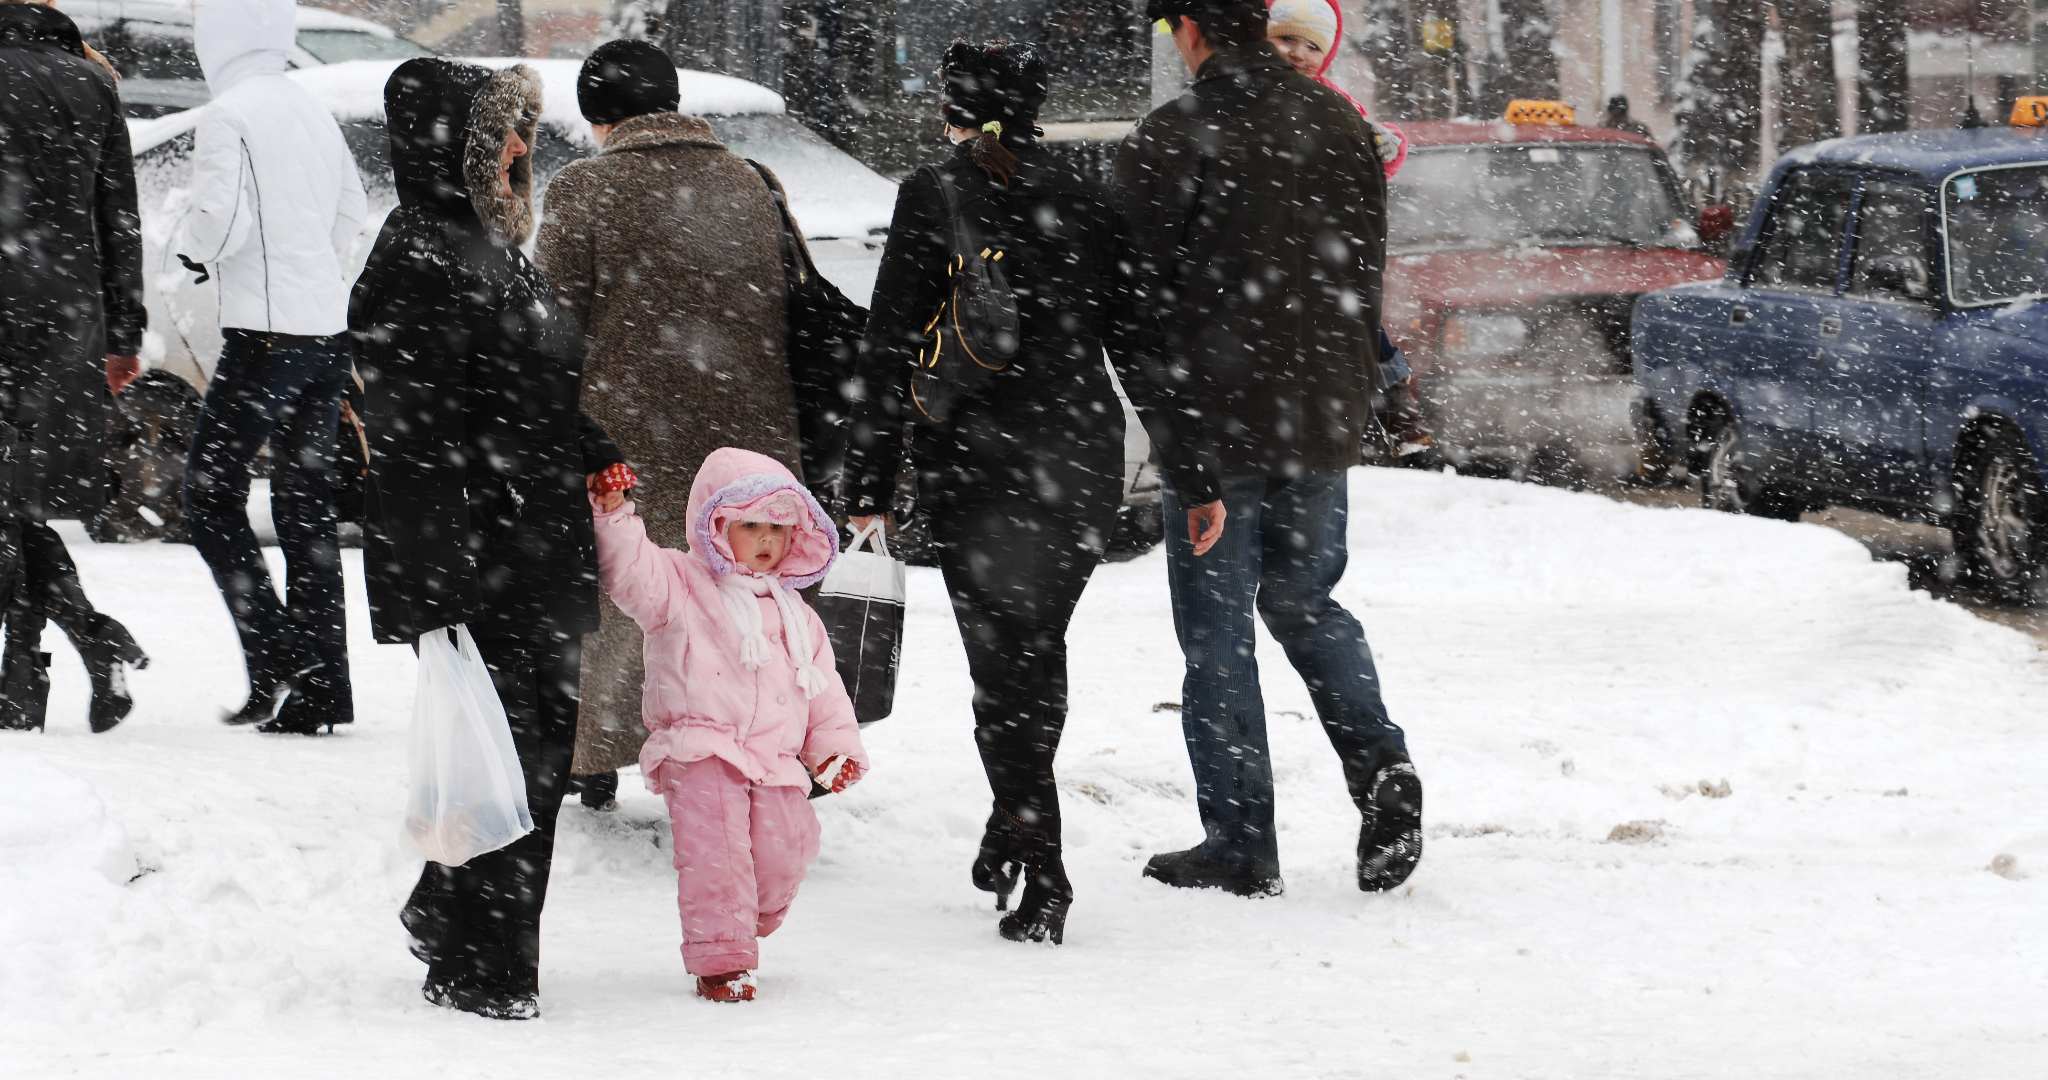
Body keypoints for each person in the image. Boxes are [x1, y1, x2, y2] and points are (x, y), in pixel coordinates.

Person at [843, 41, 1225, 945]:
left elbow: (888, 348)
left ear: (949, 107)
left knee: (1001, 671)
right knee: (1035, 654)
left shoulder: (932, 194)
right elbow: (1142, 346)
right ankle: (1010, 822)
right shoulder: (1089, 196)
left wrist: (867, 486)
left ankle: (1041, 861)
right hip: (1078, 463)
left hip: (976, 468)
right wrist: (1193, 473)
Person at [1115, 0, 1423, 898]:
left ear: (1189, 28)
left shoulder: (1174, 133)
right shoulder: (1338, 121)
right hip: (1319, 416)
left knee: (1217, 637)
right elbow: (1363, 272)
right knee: (1306, 602)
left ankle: (1241, 843)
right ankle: (1382, 765)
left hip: (1217, 428)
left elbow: (1134, 313)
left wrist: (1182, 454)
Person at [351, 57, 624, 1020]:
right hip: (480, 556)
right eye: (499, 129)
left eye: (520, 128)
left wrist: (589, 444)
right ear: (449, 146)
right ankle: (488, 969)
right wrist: (439, 589)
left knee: (525, 762)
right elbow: (413, 439)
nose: (518, 146)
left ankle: (448, 915)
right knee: (517, 762)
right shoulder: (418, 256)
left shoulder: (488, 245)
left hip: (532, 541)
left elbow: (520, 386)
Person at [536, 38, 807, 802]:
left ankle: (598, 754)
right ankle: (751, 752)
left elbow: (551, 330)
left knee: (627, 605)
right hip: (750, 447)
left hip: (631, 443)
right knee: (736, 606)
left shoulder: (584, 189)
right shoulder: (751, 181)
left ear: (598, 117)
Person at [590, 448, 868, 1002]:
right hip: (701, 746)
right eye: (751, 526)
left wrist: (835, 747)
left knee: (787, 849)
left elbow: (823, 686)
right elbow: (631, 571)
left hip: (775, 757)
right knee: (716, 854)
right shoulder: (679, 584)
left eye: (778, 528)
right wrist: (614, 512)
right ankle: (722, 960)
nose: (767, 539)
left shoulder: (797, 614)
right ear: (716, 526)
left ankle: (740, 919)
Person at [177, 0, 369, 735]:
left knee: (209, 495)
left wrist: (193, 249)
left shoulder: (229, 113)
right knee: (303, 506)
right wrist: (310, 265)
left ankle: (286, 654)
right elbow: (350, 209)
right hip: (325, 332)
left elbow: (219, 222)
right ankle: (321, 686)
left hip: (265, 335)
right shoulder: (309, 106)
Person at [0, 0, 152, 735]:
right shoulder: (92, 81)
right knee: (15, 501)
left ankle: (55, 660)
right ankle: (36, 673)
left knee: (11, 505)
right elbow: (119, 215)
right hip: (65, 317)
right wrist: (123, 333)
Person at [1264, 0, 1432, 457]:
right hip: (1276, 240)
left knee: (1358, 321)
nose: (1298, 53)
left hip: (1323, 239)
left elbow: (1372, 155)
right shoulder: (1253, 97)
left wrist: (1388, 146)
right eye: (1286, 39)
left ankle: (1396, 400)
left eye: (1312, 46)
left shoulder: (1333, 101)